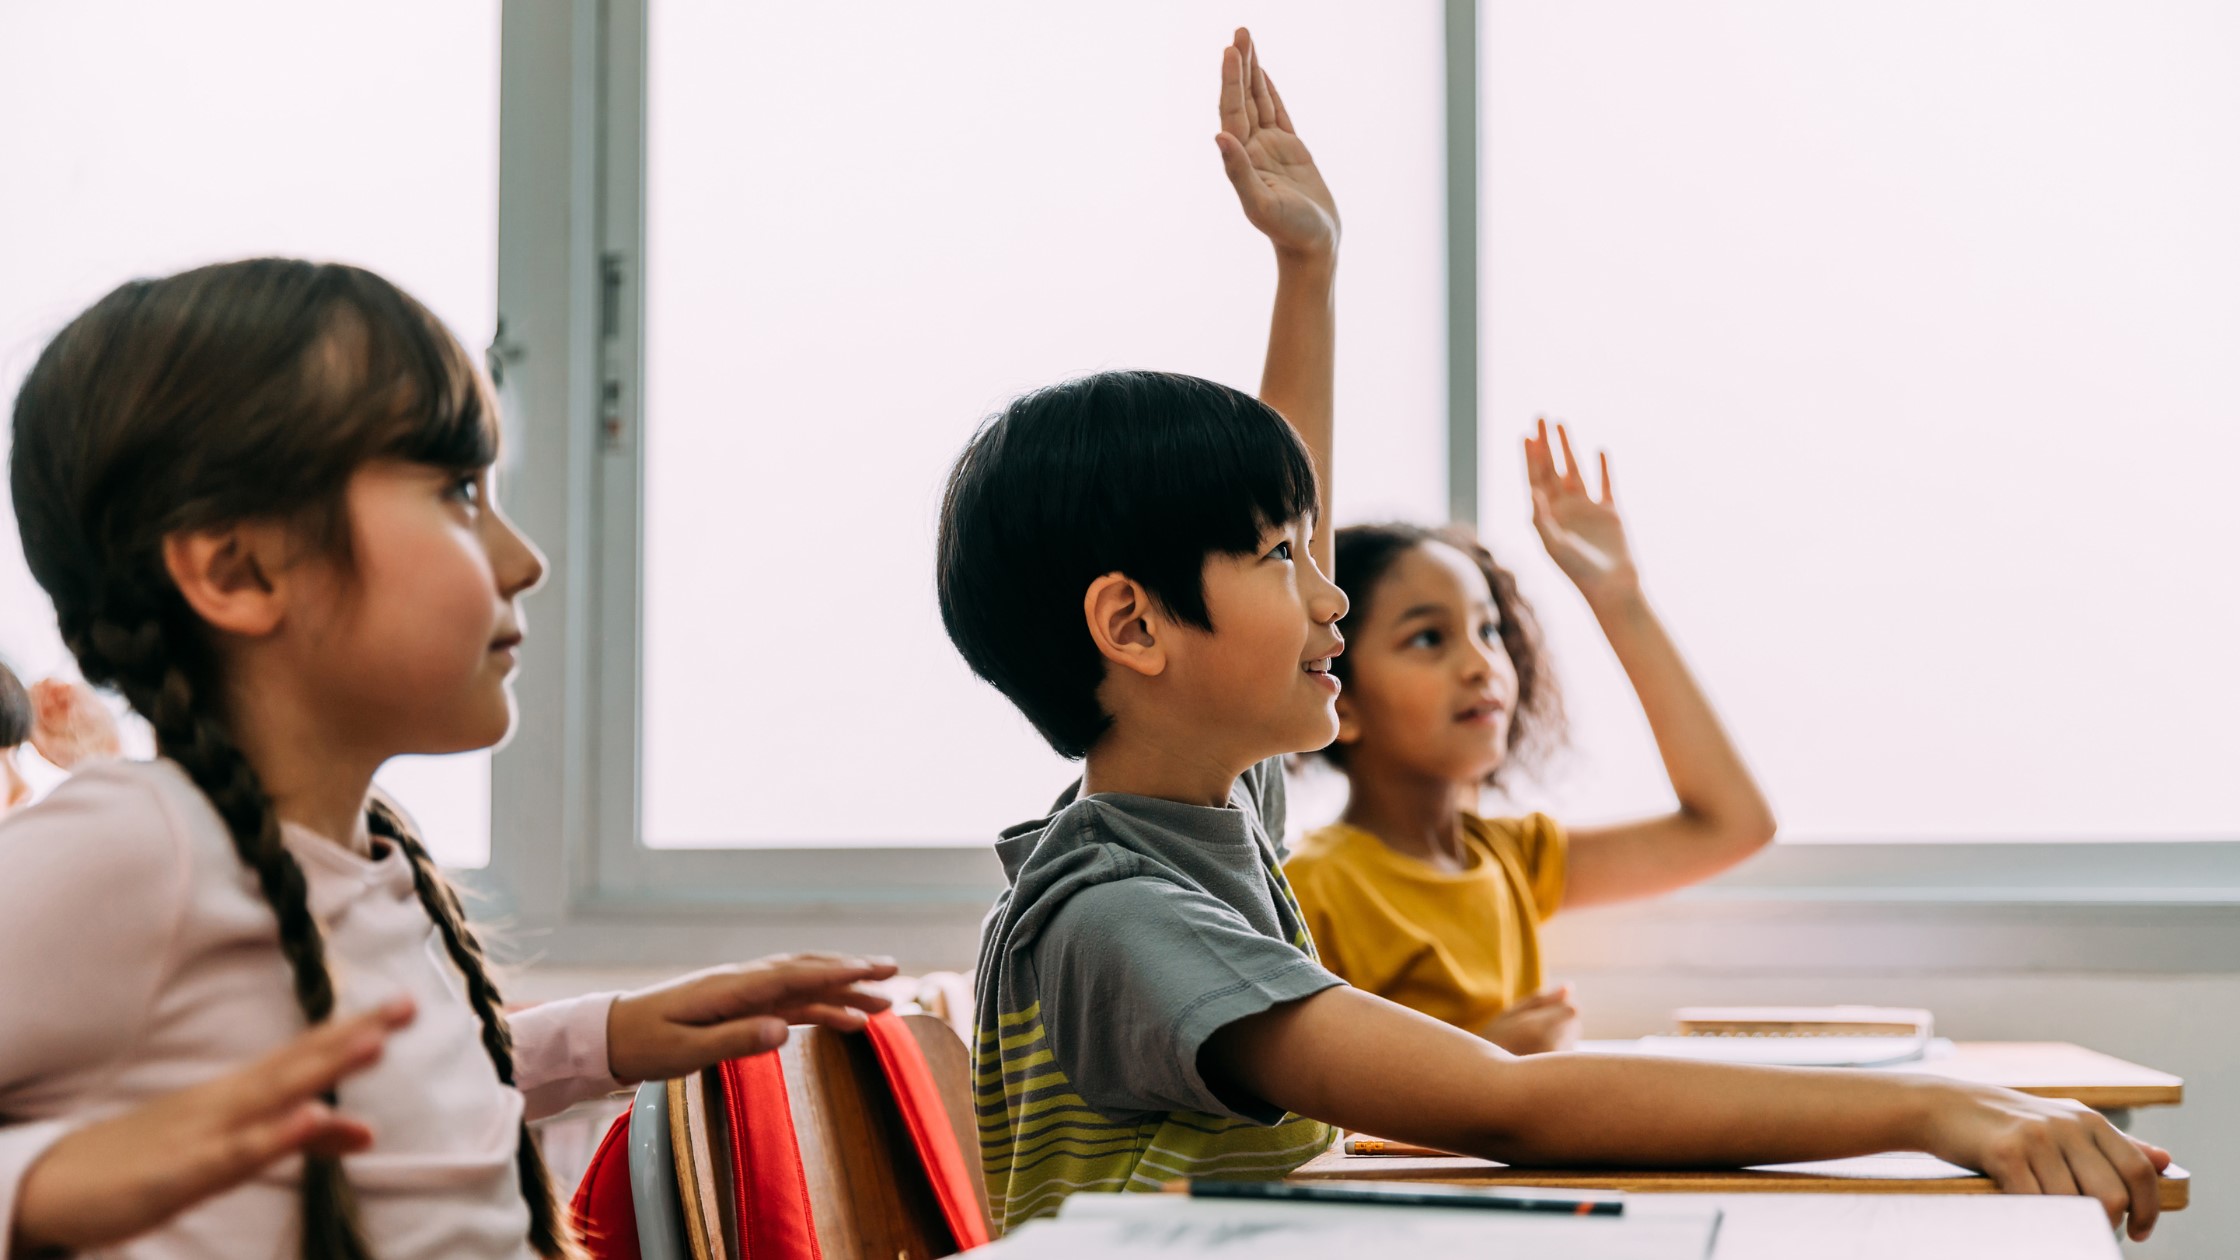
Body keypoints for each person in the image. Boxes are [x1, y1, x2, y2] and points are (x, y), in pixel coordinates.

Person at [934, 27, 2169, 1238]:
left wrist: (1307, 268)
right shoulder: (1119, 917)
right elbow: (1506, 1102)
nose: (1329, 596)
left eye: (1312, 552)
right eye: (1278, 559)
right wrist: (1932, 1111)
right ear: (1132, 625)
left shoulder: (1199, 816)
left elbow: (1275, 496)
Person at [2, 257, 899, 1258]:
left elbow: (398, 1105)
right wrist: (38, 1183)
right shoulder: (135, 848)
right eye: (458, 491)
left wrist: (605, 1036)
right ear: (238, 570)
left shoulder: (359, 851)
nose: (525, 561)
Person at [1287, 422, 1777, 1052]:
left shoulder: (1510, 857)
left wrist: (1618, 598)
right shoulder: (1317, 888)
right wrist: (1491, 1060)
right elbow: (1313, 1101)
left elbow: (1735, 826)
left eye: (1489, 630)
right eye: (1428, 638)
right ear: (1341, 700)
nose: (1482, 664)